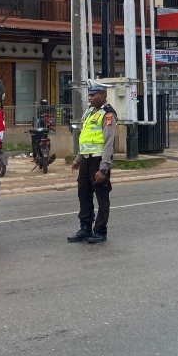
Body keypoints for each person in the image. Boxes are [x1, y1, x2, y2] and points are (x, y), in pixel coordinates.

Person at [67, 81, 117, 244]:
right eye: (89, 95)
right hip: (86, 161)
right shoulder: (89, 113)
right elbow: (86, 138)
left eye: (93, 95)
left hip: (98, 160)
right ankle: (85, 228)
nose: (90, 98)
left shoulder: (108, 114)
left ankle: (100, 231)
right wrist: (78, 159)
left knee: (102, 197)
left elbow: (109, 142)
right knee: (83, 194)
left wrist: (104, 168)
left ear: (102, 95)